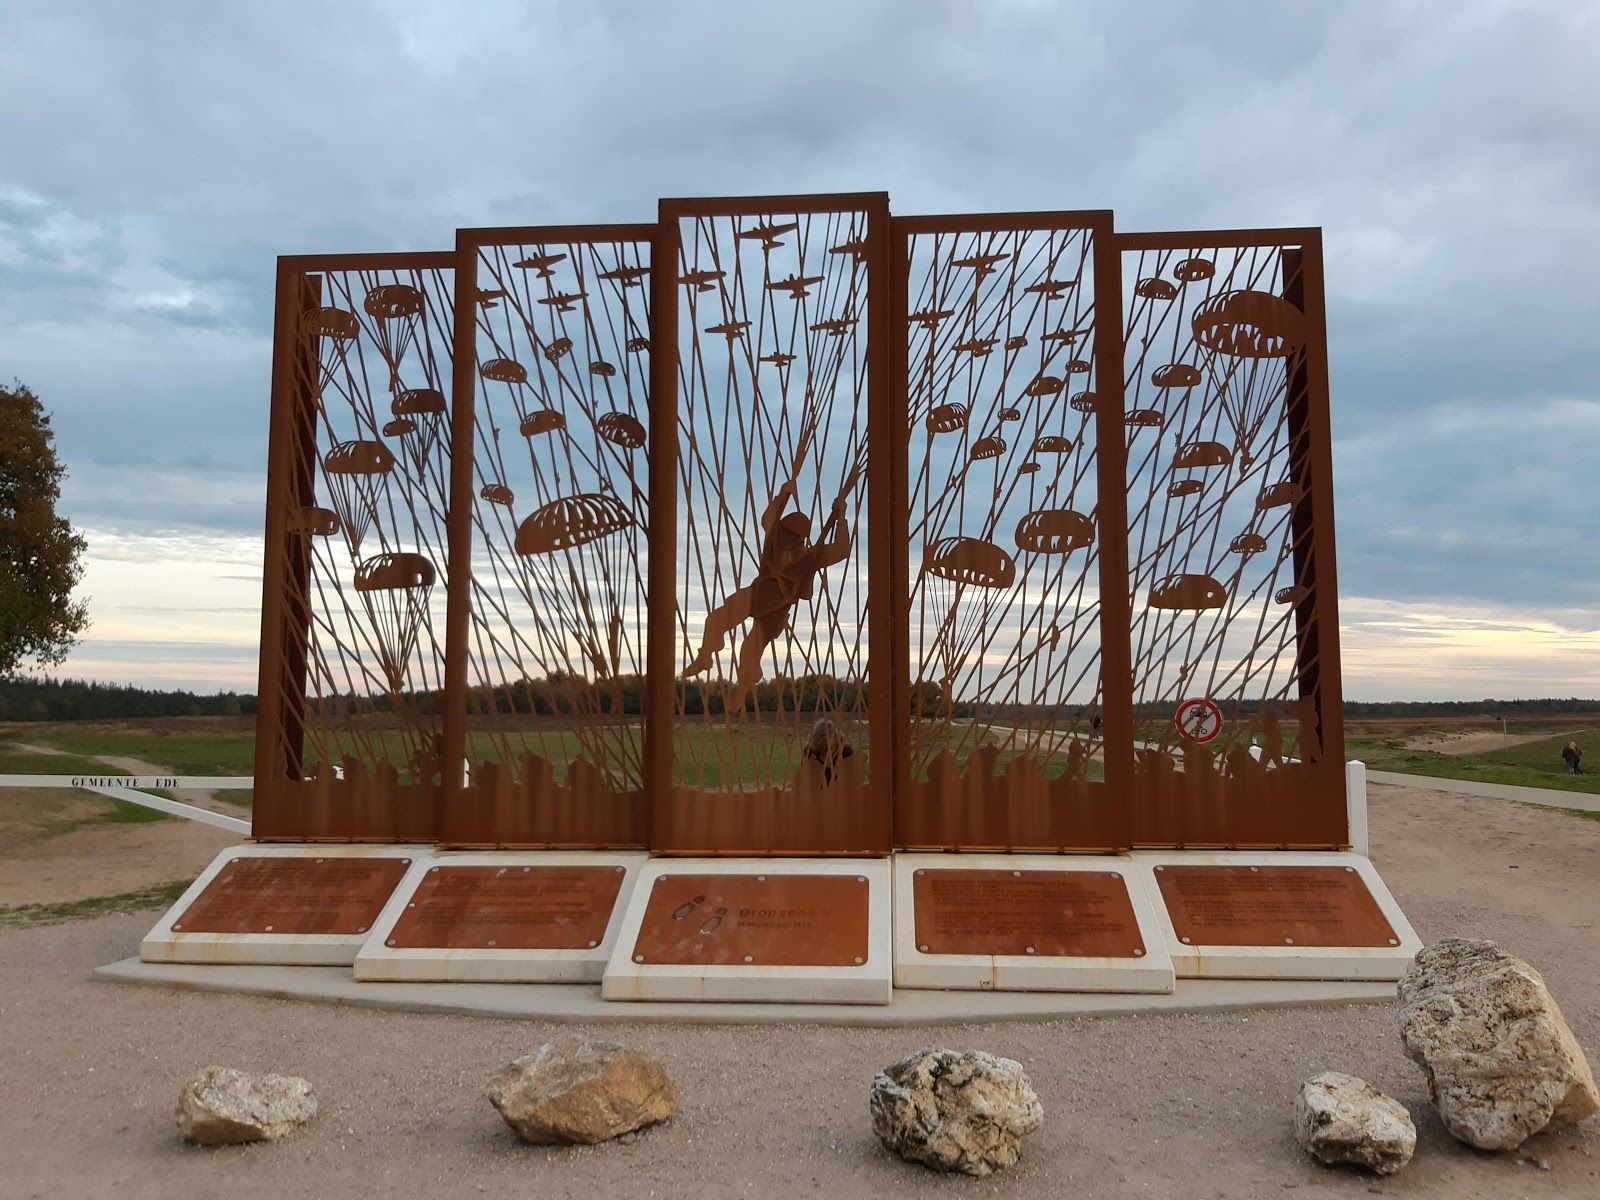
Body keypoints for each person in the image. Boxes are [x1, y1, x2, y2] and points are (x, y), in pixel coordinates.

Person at [682, 480, 851, 709]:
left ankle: (740, 694)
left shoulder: (811, 557)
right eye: (783, 532)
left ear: (797, 539)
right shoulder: (773, 541)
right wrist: (782, 495)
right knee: (716, 619)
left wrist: (841, 517)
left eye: (788, 535)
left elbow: (841, 550)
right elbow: (768, 518)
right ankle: (705, 657)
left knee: (749, 652)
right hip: (755, 595)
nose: (782, 536)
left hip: (776, 610)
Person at [802, 717, 854, 785]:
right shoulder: (809, 751)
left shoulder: (846, 752)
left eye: (831, 748)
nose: (828, 752)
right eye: (823, 749)